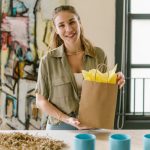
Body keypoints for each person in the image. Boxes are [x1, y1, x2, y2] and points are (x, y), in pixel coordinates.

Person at [35, 5, 125, 130]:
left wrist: (115, 81)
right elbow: (40, 101)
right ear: (56, 30)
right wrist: (66, 119)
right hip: (60, 127)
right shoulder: (48, 61)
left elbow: (102, 92)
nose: (68, 29)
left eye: (72, 22)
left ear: (79, 23)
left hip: (93, 126)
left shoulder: (98, 55)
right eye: (61, 25)